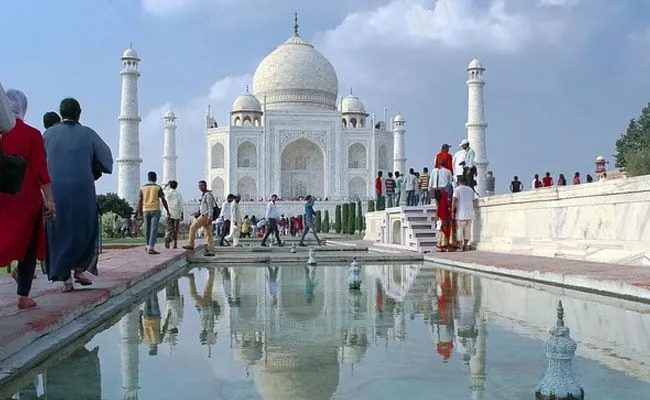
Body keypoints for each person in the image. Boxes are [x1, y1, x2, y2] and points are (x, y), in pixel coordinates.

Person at [43, 98, 113, 292]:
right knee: (85, 229)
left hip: (55, 191)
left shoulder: (47, 135)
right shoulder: (88, 134)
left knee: (60, 230)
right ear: (79, 113)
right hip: (83, 190)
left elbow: (38, 165)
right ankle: (81, 268)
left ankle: (65, 278)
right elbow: (107, 162)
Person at [0, 89, 55, 309]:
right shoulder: (32, 134)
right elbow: (42, 172)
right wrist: (50, 201)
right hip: (26, 198)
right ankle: (23, 296)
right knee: (28, 247)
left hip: (1, 195)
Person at [137, 171, 170, 255]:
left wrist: (139, 212)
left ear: (148, 178)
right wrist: (167, 210)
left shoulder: (143, 188)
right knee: (153, 229)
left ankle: (147, 245)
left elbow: (140, 200)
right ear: (155, 178)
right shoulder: (157, 188)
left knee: (147, 228)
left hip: (145, 209)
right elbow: (163, 200)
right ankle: (151, 247)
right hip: (155, 209)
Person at [183, 180, 216, 256]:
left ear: (205, 185)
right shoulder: (204, 194)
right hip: (204, 215)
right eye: (199, 186)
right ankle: (211, 251)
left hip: (205, 216)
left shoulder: (208, 195)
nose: (200, 187)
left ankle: (191, 245)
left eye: (202, 186)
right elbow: (203, 207)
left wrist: (210, 218)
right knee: (208, 234)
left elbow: (211, 207)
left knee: (192, 227)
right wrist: (198, 213)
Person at [452, 177, 475, 252]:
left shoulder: (457, 189)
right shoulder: (470, 189)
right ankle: (466, 245)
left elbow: (454, 200)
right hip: (470, 213)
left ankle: (460, 246)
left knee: (460, 230)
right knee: (468, 230)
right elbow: (473, 199)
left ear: (458, 182)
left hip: (461, 214)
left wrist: (452, 211)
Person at [163, 180, 183, 249]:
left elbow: (161, 192)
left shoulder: (167, 193)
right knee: (175, 229)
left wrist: (165, 186)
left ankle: (167, 240)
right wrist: (181, 213)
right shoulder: (178, 194)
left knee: (168, 228)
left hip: (168, 213)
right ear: (176, 186)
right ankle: (174, 243)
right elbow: (180, 204)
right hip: (176, 213)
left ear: (170, 186)